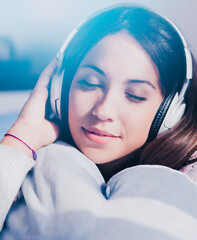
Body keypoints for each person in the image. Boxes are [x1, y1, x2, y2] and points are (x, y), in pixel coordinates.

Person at [0, 4, 197, 239]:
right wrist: (24, 135)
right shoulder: (20, 155)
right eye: (90, 83)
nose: (103, 111)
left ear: (172, 112)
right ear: (59, 86)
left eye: (135, 95)